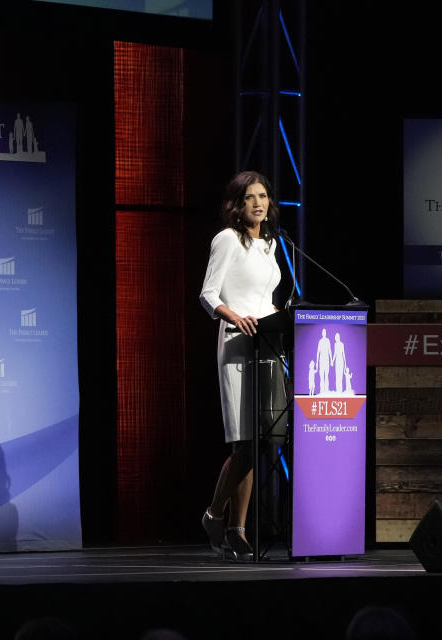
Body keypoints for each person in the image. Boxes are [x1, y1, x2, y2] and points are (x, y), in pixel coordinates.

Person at [199, 170, 285, 562]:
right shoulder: (227, 240)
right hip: (237, 345)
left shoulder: (269, 244)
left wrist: (278, 316)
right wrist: (235, 317)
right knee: (244, 445)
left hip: (267, 344)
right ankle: (215, 515)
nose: (258, 203)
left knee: (260, 442)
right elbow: (207, 294)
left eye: (263, 196)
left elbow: (264, 296)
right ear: (238, 204)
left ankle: (237, 528)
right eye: (250, 197)